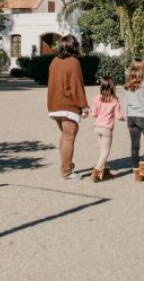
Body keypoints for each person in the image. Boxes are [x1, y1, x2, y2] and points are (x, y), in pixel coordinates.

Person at [46, 34, 89, 180]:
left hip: (54, 104)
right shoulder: (74, 62)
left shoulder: (54, 61)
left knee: (65, 136)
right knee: (69, 137)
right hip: (68, 105)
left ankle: (66, 165)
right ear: (74, 46)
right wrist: (84, 106)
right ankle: (66, 171)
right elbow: (76, 86)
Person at [90, 77, 125, 182]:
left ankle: (106, 171)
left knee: (102, 150)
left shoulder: (96, 98)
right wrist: (126, 118)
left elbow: (94, 114)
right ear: (113, 87)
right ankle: (95, 172)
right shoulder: (115, 99)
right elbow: (118, 116)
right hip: (106, 128)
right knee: (105, 152)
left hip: (96, 127)